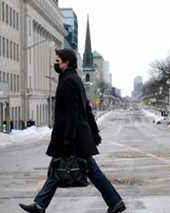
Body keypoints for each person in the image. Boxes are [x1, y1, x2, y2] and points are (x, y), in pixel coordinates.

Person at [19, 49, 126, 213]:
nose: (55, 63)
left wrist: (68, 140)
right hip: (76, 136)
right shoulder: (73, 79)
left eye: (58, 60)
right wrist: (94, 132)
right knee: (59, 170)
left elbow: (73, 113)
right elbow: (86, 109)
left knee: (79, 170)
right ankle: (40, 204)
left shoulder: (68, 81)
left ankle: (115, 201)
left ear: (66, 62)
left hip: (71, 137)